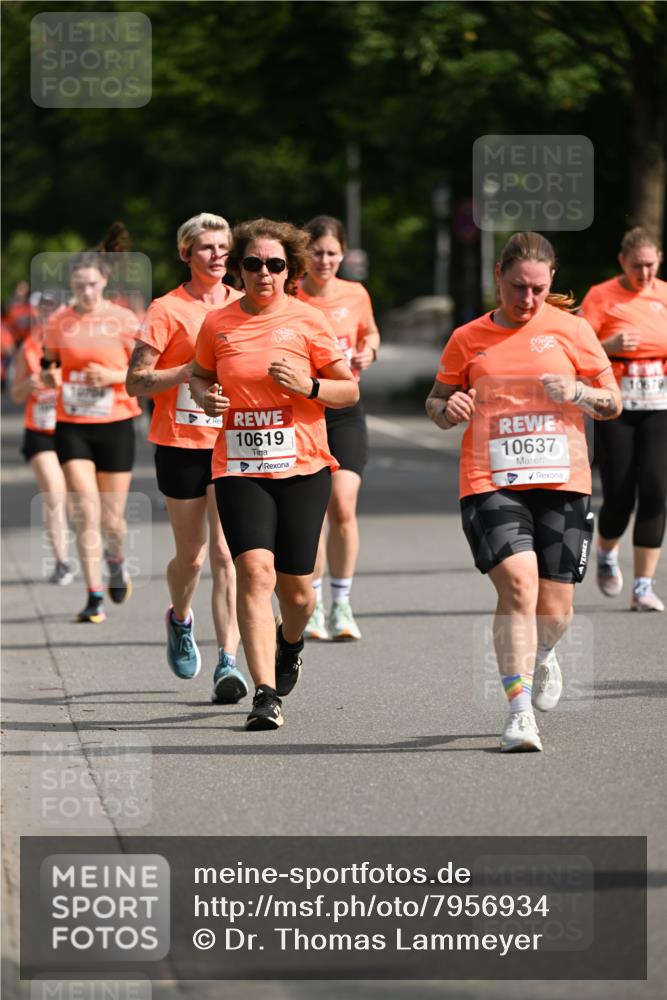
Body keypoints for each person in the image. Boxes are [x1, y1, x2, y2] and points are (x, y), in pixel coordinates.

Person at [426, 231, 621, 753]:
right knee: (517, 585)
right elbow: (437, 402)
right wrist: (449, 411)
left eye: (537, 288)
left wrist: (578, 392)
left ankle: (543, 652)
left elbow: (613, 402)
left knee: (555, 612)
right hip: (490, 479)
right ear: (499, 276)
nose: (527, 299)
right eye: (517, 287)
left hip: (562, 480)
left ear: (551, 280)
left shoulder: (573, 331)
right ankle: (518, 713)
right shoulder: (468, 338)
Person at [191, 217, 358, 730]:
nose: (264, 273)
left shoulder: (308, 321)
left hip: (303, 467)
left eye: (276, 265)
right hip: (240, 467)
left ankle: (291, 641)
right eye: (254, 264)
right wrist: (206, 395)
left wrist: (309, 385)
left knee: (299, 591)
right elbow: (199, 376)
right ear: (239, 270)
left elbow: (347, 391)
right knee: (254, 572)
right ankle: (265, 693)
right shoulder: (217, 323)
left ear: (291, 269)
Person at [126, 213, 247, 703]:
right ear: (186, 254)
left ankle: (228, 661)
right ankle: (180, 617)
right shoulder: (166, 310)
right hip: (180, 442)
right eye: (206, 248)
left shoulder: (247, 305)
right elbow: (136, 381)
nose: (217, 256)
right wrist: (187, 372)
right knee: (192, 557)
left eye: (223, 248)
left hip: (234, 442)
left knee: (227, 553)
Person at [41, 228, 141, 623]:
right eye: (79, 284)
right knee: (85, 507)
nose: (86, 291)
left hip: (115, 422)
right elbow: (50, 362)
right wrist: (50, 376)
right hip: (73, 424)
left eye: (92, 284)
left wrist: (114, 377)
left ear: (104, 282)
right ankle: (94, 595)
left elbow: (143, 370)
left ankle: (116, 560)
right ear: (71, 284)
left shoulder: (123, 318)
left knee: (111, 517)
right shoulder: (58, 322)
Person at [297, 216, 380, 641]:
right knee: (312, 511)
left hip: (346, 409)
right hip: (303, 412)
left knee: (343, 506)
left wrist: (368, 352)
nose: (324, 260)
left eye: (331, 253)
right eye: (316, 252)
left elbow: (371, 335)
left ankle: (342, 604)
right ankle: (309, 604)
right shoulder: (290, 294)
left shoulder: (356, 293)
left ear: (342, 254)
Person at [580, 227, 667, 611]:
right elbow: (577, 350)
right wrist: (609, 346)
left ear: (659, 260)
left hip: (659, 402)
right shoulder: (601, 296)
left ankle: (643, 587)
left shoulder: (664, 294)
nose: (644, 273)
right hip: (615, 404)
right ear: (622, 262)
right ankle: (606, 551)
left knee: (655, 489)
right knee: (618, 494)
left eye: (650, 265)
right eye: (636, 266)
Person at [10, 291, 72, 584]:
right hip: (40, 432)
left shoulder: (76, 345)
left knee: (77, 499)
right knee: (55, 494)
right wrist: (32, 383)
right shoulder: (29, 348)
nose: (49, 314)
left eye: (54, 308)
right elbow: (15, 394)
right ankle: (62, 561)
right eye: (43, 309)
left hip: (74, 430)